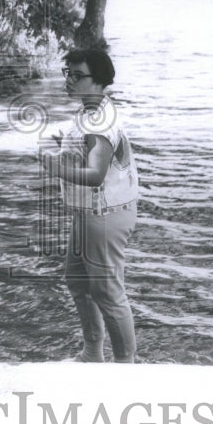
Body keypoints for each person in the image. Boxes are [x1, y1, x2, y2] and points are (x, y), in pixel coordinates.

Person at [40, 48, 139, 363]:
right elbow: (89, 156)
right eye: (67, 72)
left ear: (99, 81)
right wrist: (65, 148)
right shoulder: (89, 110)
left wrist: (55, 167)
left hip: (105, 214)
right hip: (90, 212)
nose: (69, 79)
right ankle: (92, 353)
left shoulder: (99, 122)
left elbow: (96, 175)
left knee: (107, 292)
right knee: (77, 280)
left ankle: (127, 364)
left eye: (77, 75)